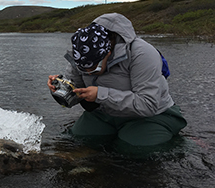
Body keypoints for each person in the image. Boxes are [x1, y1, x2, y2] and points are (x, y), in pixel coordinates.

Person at [48, 13, 187, 149]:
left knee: (134, 149)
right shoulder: (81, 56)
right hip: (104, 114)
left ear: (108, 52)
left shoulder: (143, 53)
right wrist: (61, 89)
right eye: (83, 69)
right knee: (77, 140)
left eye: (94, 68)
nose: (88, 72)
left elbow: (148, 104)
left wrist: (101, 94)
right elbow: (76, 93)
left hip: (152, 115)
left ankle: (183, 142)